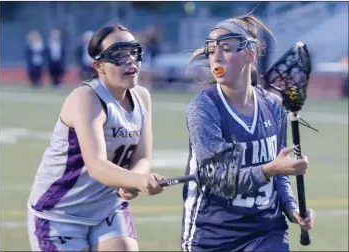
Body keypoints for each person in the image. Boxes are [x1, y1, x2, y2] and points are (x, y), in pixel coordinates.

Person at [181, 14, 315, 251]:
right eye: (211, 50)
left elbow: (279, 173)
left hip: (266, 231)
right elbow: (220, 180)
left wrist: (292, 208)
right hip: (213, 235)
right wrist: (270, 169)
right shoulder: (204, 108)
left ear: (250, 54)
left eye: (226, 48)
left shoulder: (273, 106)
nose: (216, 56)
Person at [27, 24, 165, 252]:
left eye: (134, 52)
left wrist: (133, 181)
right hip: (60, 213)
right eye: (118, 55)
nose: (130, 60)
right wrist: (137, 180)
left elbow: (142, 156)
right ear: (98, 65)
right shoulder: (86, 98)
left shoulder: (142, 96)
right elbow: (96, 166)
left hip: (108, 208)